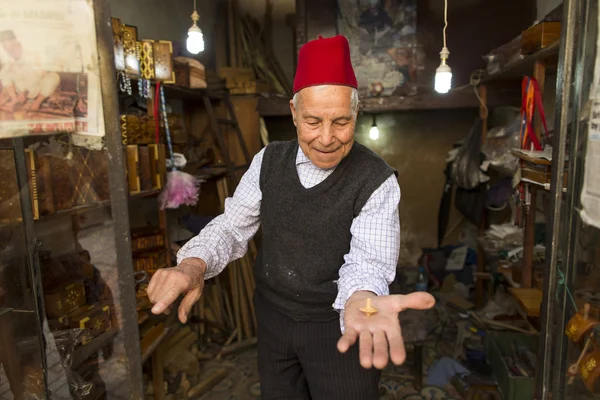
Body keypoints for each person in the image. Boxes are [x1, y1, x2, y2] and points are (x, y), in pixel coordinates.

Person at [148, 35, 435, 399]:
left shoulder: (375, 179)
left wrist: (362, 302)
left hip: (340, 324)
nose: (327, 138)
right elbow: (232, 226)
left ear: (356, 114)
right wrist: (192, 266)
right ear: (294, 113)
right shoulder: (268, 162)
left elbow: (367, 264)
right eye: (313, 121)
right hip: (273, 318)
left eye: (341, 122)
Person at [0, 30, 60, 112]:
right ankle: (15, 101)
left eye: (11, 49)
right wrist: (14, 97)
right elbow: (5, 77)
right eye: (7, 50)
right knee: (5, 73)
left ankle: (36, 104)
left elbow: (38, 75)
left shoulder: (31, 55)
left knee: (53, 77)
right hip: (20, 93)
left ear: (17, 45)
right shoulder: (9, 62)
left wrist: (25, 91)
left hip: (37, 89)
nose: (10, 52)